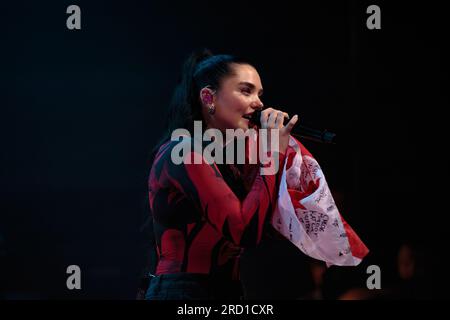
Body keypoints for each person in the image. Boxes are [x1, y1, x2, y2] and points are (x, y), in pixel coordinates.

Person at [144, 49, 298, 300]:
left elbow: (263, 228)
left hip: (229, 291)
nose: (259, 103)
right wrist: (272, 156)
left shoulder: (231, 160)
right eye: (246, 91)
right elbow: (243, 231)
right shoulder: (183, 152)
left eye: (259, 94)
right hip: (184, 291)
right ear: (208, 97)